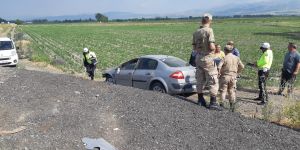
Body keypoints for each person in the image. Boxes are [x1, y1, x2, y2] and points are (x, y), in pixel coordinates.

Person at [192, 13, 221, 110]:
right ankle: (213, 102)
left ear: (202, 21)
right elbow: (212, 46)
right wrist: (213, 50)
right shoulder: (209, 30)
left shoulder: (196, 32)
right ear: (210, 21)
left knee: (200, 79)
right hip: (208, 58)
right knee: (213, 80)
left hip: (198, 57)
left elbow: (194, 47)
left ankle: (200, 100)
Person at [218, 45, 244, 112]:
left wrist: (219, 73)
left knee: (223, 91)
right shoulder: (236, 58)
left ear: (225, 50)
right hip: (233, 77)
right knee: (232, 91)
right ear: (232, 50)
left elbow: (219, 67)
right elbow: (242, 66)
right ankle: (232, 107)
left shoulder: (224, 58)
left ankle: (222, 105)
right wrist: (238, 73)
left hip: (225, 76)